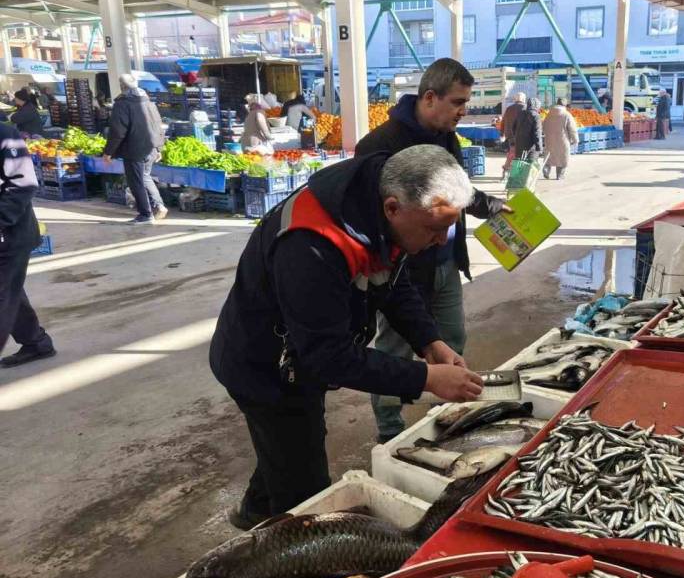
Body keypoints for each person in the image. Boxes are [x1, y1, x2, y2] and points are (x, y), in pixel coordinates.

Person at [210, 144, 484, 528]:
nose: (442, 241)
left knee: (289, 443)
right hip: (263, 365)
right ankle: (288, 555)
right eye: (435, 230)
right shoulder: (312, 247)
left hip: (296, 355)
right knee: (305, 485)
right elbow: (328, 356)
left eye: (448, 228)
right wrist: (426, 379)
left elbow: (392, 278)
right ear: (392, 208)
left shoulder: (378, 211)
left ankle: (255, 511)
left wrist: (429, 342)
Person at [354, 58, 507, 442]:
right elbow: (371, 219)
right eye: (458, 102)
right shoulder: (378, 146)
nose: (463, 110)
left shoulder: (447, 139)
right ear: (429, 98)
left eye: (466, 102)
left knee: (450, 340)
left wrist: (490, 207)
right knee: (395, 351)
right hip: (402, 272)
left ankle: (448, 417)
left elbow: (457, 193)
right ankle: (389, 432)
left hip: (446, 264)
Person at [0, 123, 56, 368]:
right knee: (10, 291)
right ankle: (36, 342)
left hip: (10, 235)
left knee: (4, 295)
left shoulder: (4, 135)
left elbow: (23, 184)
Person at [103, 74, 167, 225]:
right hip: (151, 147)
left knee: (136, 181)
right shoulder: (148, 101)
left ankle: (146, 214)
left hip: (134, 148)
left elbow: (118, 131)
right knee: (145, 177)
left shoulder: (123, 103)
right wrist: (159, 147)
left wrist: (108, 152)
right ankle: (159, 206)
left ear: (122, 86)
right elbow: (158, 125)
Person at [541, 98, 578, 180]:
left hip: (549, 140)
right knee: (562, 157)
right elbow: (572, 129)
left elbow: (544, 126)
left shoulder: (549, 114)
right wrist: (575, 139)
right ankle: (559, 175)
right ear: (564, 105)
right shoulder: (566, 115)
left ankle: (546, 171)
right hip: (563, 140)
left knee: (549, 156)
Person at [500, 92, 526, 172]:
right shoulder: (525, 108)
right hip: (521, 135)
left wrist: (502, 133)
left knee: (512, 151)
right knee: (519, 154)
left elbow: (503, 122)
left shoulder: (509, 108)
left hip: (510, 135)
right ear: (523, 99)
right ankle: (510, 169)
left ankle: (507, 169)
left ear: (515, 99)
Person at [513, 97, 543, 162]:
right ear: (537, 105)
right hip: (531, 148)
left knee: (520, 166)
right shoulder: (536, 116)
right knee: (529, 167)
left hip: (519, 145)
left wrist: (516, 138)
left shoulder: (520, 113)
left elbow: (513, 128)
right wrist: (539, 148)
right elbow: (537, 133)